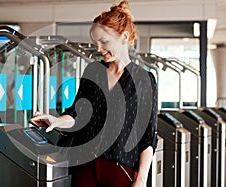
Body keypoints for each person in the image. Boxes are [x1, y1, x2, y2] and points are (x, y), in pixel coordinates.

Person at [30, 1, 157, 186]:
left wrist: (142, 178)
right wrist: (56, 120)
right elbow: (77, 115)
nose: (99, 49)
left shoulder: (144, 79)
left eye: (104, 42)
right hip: (86, 167)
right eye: (96, 43)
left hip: (121, 170)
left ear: (124, 37)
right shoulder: (93, 71)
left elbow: (148, 136)